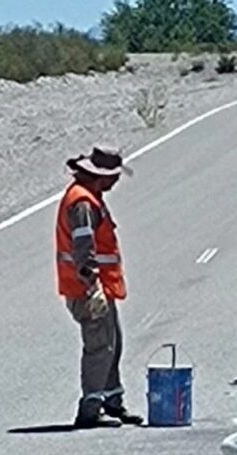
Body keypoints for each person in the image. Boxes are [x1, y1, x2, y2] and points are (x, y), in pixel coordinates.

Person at [55, 146, 144, 428]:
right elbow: (83, 249)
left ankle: (113, 401)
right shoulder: (82, 202)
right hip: (87, 288)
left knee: (112, 344)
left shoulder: (91, 197)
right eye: (113, 176)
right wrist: (92, 287)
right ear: (99, 176)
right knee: (99, 346)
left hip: (100, 286)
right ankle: (90, 409)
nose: (116, 181)